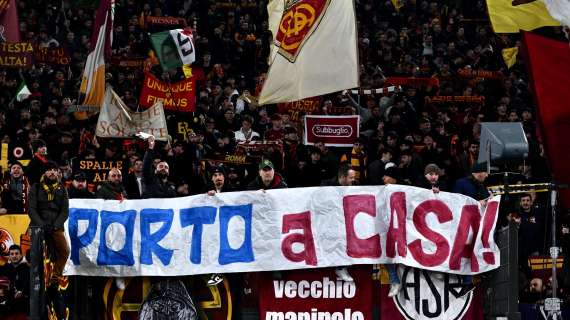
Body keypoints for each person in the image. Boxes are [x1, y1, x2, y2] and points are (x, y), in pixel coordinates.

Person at [28, 161, 69, 287]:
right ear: (44, 172)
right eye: (49, 170)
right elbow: (32, 209)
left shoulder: (62, 189)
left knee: (65, 251)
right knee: (36, 254)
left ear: (57, 172)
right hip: (38, 227)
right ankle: (36, 277)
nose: (52, 172)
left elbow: (64, 211)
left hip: (56, 227)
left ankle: (56, 276)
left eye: (54, 170)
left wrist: (55, 225)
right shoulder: (36, 187)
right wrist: (41, 224)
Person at [0, 244, 29, 314]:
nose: (14, 256)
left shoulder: (27, 268)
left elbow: (29, 283)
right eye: (12, 254)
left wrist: (22, 291)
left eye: (16, 253)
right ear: (9, 256)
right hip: (10, 303)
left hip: (24, 304)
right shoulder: (8, 267)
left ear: (21, 255)